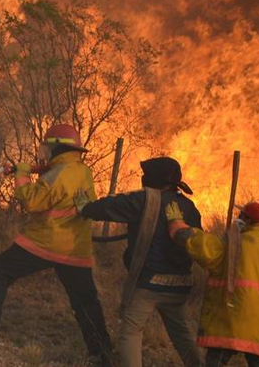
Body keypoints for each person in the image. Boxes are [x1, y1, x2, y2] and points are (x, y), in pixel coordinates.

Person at [0, 124, 112, 367]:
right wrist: (40, 171)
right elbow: (61, 190)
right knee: (86, 301)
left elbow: (33, 201)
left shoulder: (58, 174)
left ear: (57, 147)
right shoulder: (82, 171)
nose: (44, 151)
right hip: (76, 248)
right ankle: (102, 352)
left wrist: (22, 175)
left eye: (47, 146)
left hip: (45, 242)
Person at [75, 157, 202, 367]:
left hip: (150, 283)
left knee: (131, 331)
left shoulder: (144, 199)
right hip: (180, 283)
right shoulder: (188, 206)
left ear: (153, 178)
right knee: (181, 334)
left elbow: (110, 206)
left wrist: (86, 208)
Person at [165, 200, 259, 367]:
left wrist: (177, 225)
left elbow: (200, 245)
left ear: (248, 221)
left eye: (240, 216)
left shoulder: (232, 245)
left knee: (216, 361)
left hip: (229, 322)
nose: (237, 218)